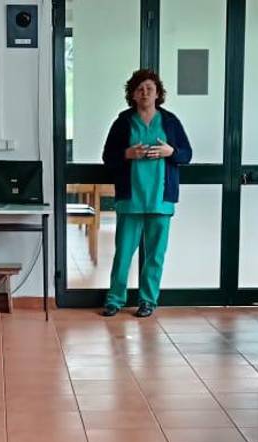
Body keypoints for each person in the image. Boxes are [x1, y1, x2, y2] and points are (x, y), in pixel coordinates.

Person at [101, 68, 193, 318]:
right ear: (132, 94)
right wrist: (126, 154)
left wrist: (170, 152)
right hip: (131, 199)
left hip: (160, 200)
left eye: (149, 89)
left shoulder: (170, 122)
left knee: (155, 255)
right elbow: (107, 157)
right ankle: (114, 299)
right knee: (123, 254)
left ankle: (148, 301)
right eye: (140, 89)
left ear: (158, 93)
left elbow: (187, 154)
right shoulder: (123, 122)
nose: (145, 93)